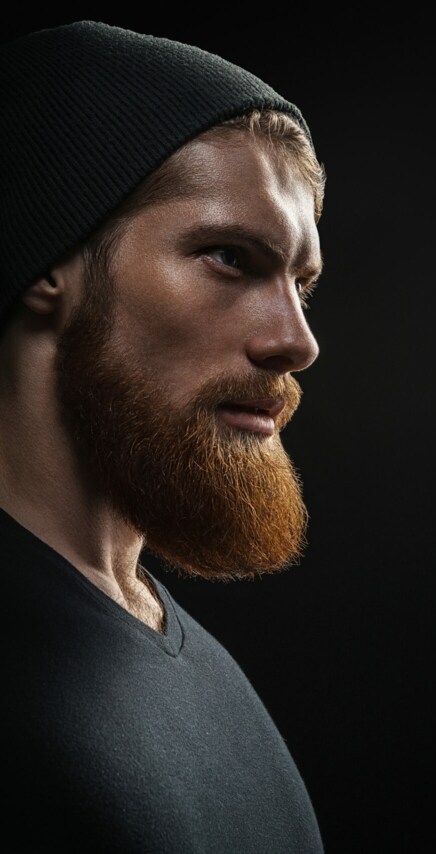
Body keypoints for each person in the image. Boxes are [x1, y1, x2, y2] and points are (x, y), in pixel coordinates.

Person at [0, 20, 326, 853]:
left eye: (302, 284)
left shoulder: (190, 665)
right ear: (52, 262)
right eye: (230, 258)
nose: (297, 343)